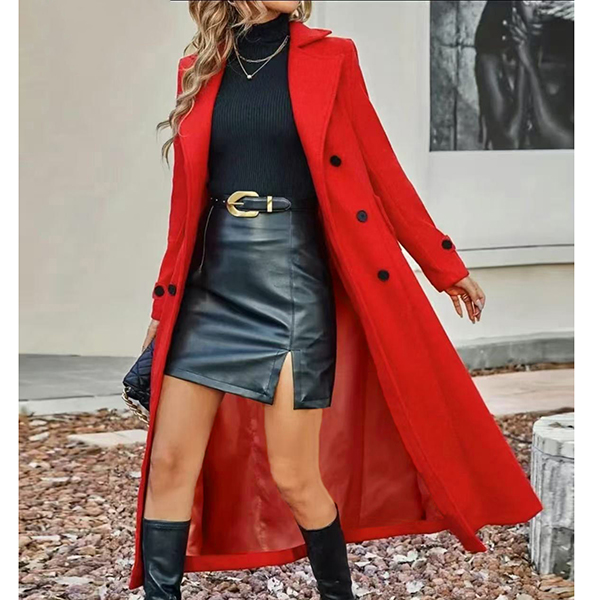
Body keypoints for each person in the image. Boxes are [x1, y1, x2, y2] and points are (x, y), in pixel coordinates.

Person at [129, 2, 542, 598]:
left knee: (295, 476)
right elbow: (185, 201)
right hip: (210, 286)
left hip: (292, 282)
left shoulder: (332, 58)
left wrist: (442, 264)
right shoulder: (200, 66)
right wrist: (161, 304)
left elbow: (379, 168)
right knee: (169, 464)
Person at [475, 0, 574, 150]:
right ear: (514, 6)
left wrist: (530, 60)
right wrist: (524, 58)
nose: (539, 9)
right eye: (531, 2)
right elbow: (511, 142)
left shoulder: (568, 62)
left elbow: (568, 142)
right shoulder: (491, 61)